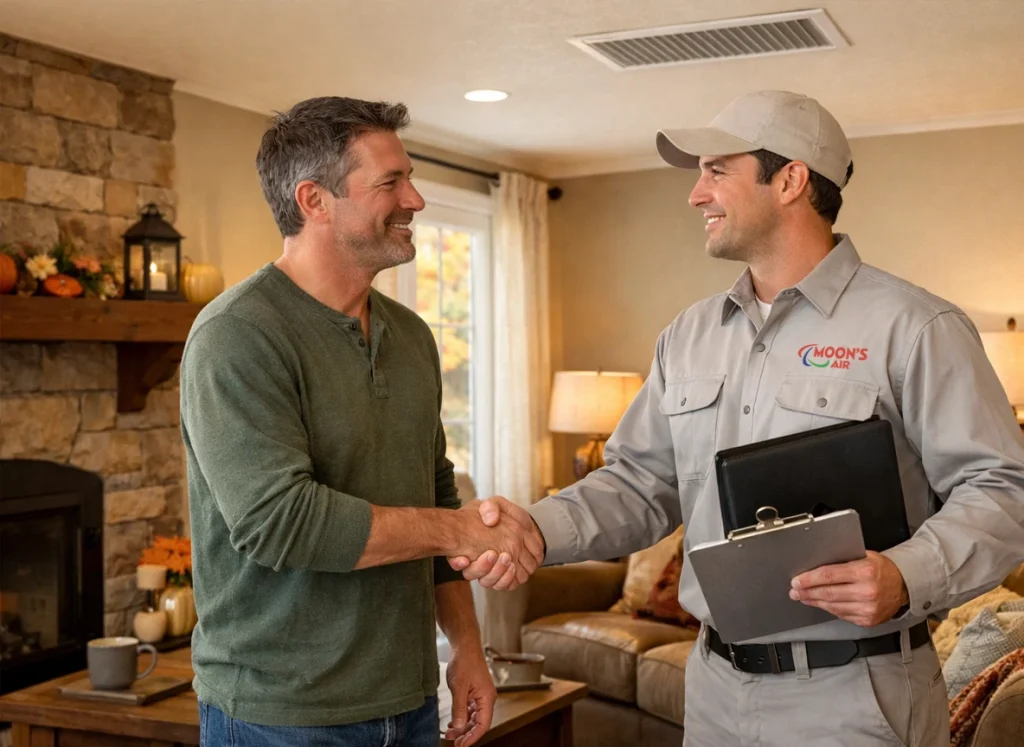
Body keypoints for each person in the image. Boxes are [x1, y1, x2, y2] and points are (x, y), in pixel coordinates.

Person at [453, 90, 1024, 745]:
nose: (696, 194)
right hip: (715, 690)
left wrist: (905, 575)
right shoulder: (687, 335)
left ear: (790, 179)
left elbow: (1003, 490)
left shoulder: (917, 327)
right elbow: (639, 483)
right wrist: (534, 526)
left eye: (716, 169)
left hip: (856, 698)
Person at [180, 96, 543, 747]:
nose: (416, 199)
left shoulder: (410, 337)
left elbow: (434, 491)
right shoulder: (237, 335)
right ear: (315, 200)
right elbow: (280, 522)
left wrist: (466, 646)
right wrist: (459, 527)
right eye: (391, 182)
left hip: (407, 701)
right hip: (279, 717)